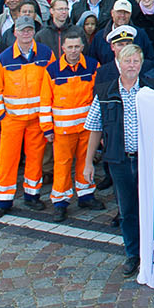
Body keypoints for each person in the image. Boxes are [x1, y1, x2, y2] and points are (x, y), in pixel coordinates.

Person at [86, 43, 154, 276]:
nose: (132, 66)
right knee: (127, 210)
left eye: (136, 61)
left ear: (141, 64)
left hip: (147, 160)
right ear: (119, 64)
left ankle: (152, 252)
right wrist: (88, 162)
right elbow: (94, 128)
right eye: (127, 61)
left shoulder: (152, 89)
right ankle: (132, 253)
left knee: (150, 207)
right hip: (119, 160)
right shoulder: (105, 92)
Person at [0, 18, 54, 214]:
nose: (26, 34)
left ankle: (32, 195)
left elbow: (51, 85)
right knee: (8, 160)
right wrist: (2, 116)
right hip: (12, 120)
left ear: (33, 32)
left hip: (36, 119)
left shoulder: (46, 54)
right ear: (15, 32)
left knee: (35, 159)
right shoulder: (3, 58)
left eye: (29, 30)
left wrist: (46, 116)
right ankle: (3, 200)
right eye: (22, 30)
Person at [41, 30, 101, 219]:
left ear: (82, 47)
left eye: (77, 47)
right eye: (70, 47)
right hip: (63, 129)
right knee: (62, 165)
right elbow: (45, 102)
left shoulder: (93, 67)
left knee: (86, 161)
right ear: (63, 48)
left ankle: (86, 195)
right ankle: (60, 201)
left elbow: (97, 98)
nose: (74, 51)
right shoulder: (51, 70)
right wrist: (47, 129)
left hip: (87, 128)